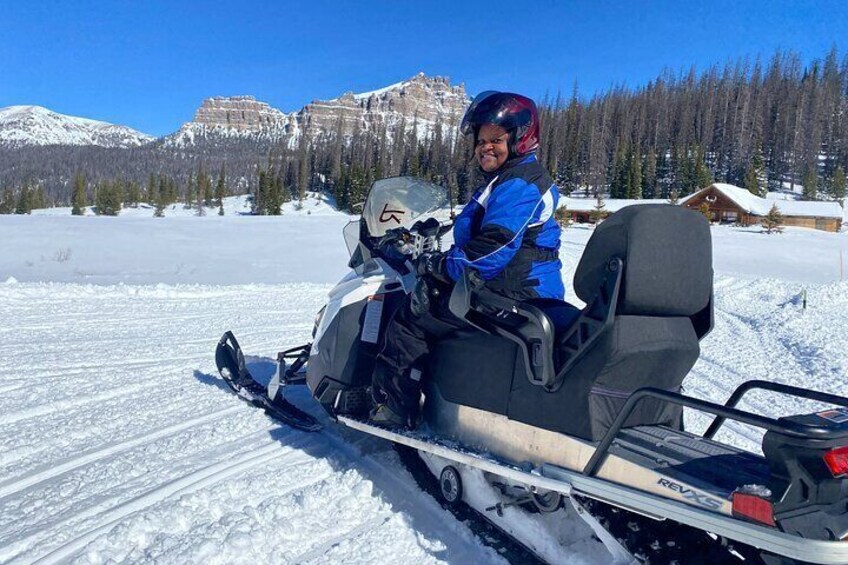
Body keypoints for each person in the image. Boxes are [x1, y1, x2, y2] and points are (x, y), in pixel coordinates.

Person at [370, 91, 564, 428]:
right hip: (513, 287)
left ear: (521, 138)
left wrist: (439, 266)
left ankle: (393, 410)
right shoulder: (509, 180)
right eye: (481, 140)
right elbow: (486, 234)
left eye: (496, 139)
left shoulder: (520, 183)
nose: (485, 147)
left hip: (513, 293)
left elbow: (491, 249)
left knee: (413, 314)